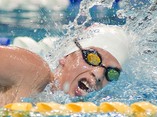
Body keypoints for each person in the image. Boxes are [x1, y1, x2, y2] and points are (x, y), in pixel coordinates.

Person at [0, 24, 130, 106]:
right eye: (93, 58)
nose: (99, 75)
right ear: (65, 58)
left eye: (112, 73)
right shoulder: (35, 71)